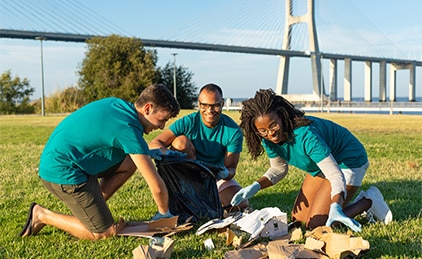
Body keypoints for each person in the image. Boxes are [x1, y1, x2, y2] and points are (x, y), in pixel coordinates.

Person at [19, 84, 180, 240]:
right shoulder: (128, 129)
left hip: (69, 160)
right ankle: (41, 215)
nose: (161, 127)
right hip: (62, 171)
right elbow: (156, 187)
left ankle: (93, 210)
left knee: (130, 162)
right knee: (103, 234)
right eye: (162, 120)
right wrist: (164, 215)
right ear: (147, 108)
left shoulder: (117, 104)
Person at [231, 88, 392, 231]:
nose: (270, 133)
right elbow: (279, 169)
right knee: (298, 220)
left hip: (348, 160)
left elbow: (335, 175)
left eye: (273, 125)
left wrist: (335, 206)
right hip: (322, 165)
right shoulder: (268, 140)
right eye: (263, 130)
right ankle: (342, 205)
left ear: (281, 116)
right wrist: (255, 186)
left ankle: (368, 201)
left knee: (317, 225)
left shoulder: (306, 136)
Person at [149, 83, 249, 213]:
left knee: (241, 203)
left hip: (213, 179)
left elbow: (231, 169)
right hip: (186, 178)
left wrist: (224, 172)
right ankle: (184, 194)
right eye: (204, 105)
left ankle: (204, 199)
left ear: (222, 103)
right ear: (199, 104)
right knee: (181, 142)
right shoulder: (189, 122)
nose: (209, 110)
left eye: (215, 105)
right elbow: (155, 143)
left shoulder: (233, 131)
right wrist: (172, 154)